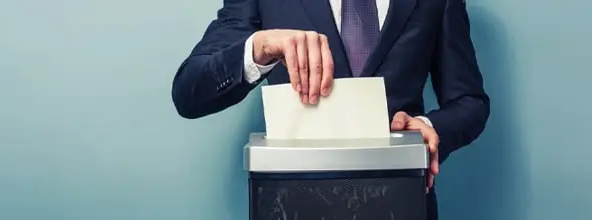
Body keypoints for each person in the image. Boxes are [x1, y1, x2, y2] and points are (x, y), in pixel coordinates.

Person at [171, 0, 490, 218]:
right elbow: (189, 92)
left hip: (401, 202)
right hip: (293, 205)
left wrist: (430, 127)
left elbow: (470, 101)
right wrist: (259, 47)